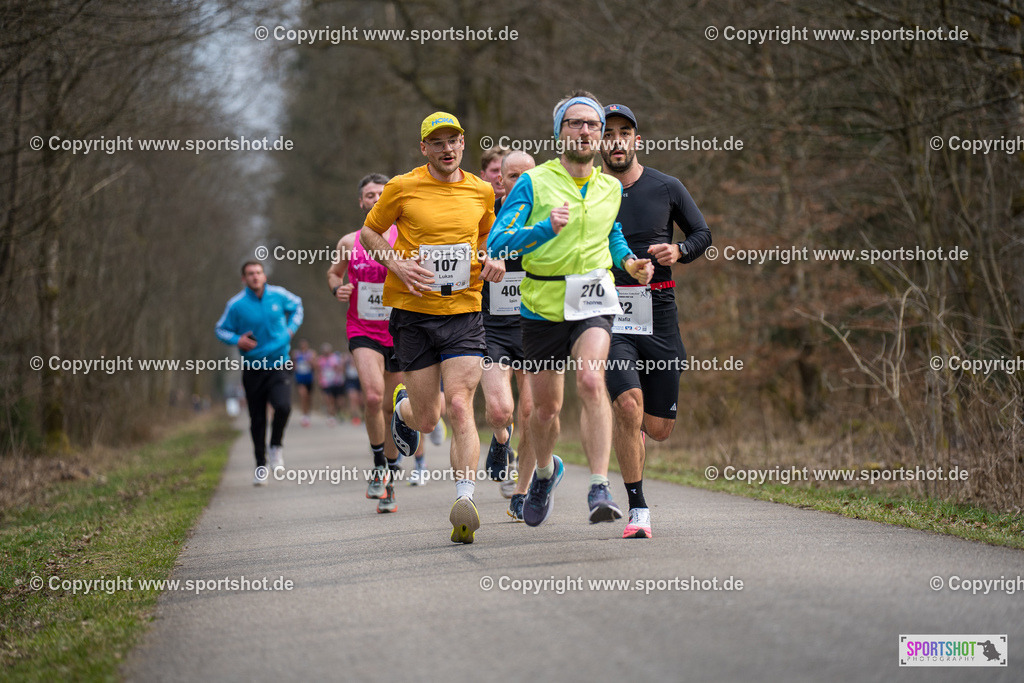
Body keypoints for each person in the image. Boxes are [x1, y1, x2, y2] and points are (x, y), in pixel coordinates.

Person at [488, 90, 653, 527]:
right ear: (559, 132)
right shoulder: (533, 182)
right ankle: (544, 473)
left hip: (594, 297)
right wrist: (543, 229)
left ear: (601, 137)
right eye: (575, 124)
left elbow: (611, 236)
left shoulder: (609, 188)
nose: (585, 131)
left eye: (593, 125)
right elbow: (498, 243)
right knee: (544, 410)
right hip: (542, 306)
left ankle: (599, 484)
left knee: (591, 378)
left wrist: (628, 261)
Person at [361, 111, 502, 543]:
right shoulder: (402, 187)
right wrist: (396, 264)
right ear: (424, 148)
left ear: (463, 144)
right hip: (413, 314)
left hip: (463, 311)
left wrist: (491, 259)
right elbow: (370, 234)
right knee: (427, 418)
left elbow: (486, 237)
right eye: (437, 142)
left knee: (459, 404)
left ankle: (465, 499)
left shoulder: (481, 191)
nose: (446, 149)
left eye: (453, 141)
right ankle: (404, 409)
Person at [600, 103, 712, 538]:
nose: (616, 140)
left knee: (659, 428)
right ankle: (637, 509)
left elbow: (703, 234)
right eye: (608, 133)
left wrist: (679, 251)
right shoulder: (588, 192)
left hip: (659, 312)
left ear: (636, 140)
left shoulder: (666, 187)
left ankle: (637, 432)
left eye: (624, 132)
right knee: (628, 404)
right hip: (607, 312)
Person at [327, 173, 413, 513]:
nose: (376, 198)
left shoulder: (407, 237)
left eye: (382, 193)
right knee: (374, 395)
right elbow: (334, 273)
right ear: (361, 202)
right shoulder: (349, 242)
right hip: (362, 328)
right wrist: (338, 288)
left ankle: (390, 476)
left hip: (402, 328)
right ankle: (379, 462)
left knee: (393, 407)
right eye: (369, 195)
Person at [479, 151, 538, 521]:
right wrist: (487, 257)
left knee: (532, 411)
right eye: (509, 175)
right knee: (501, 410)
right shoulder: (486, 213)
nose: (515, 182)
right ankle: (501, 440)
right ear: (498, 179)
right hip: (492, 326)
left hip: (536, 325)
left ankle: (522, 491)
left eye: (523, 175)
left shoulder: (550, 214)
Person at [215, 261, 303, 485]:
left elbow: (298, 307)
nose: (255, 277)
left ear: (264, 276)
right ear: (244, 279)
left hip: (279, 363)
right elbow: (221, 329)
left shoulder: (279, 295)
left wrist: (291, 329)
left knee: (283, 407)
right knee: (257, 418)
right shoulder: (236, 305)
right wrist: (237, 340)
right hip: (253, 367)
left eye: (258, 273)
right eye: (250, 274)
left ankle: (275, 446)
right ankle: (260, 465)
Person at [316, 344, 344, 422]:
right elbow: (318, 370)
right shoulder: (320, 359)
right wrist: (319, 380)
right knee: (329, 399)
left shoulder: (335, 358)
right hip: (326, 383)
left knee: (338, 401)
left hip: (336, 382)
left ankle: (337, 412)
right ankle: (331, 415)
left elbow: (341, 368)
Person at [291, 339, 316, 426]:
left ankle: (307, 413)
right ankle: (303, 415)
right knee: (303, 395)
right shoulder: (296, 354)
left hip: (309, 378)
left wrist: (310, 362)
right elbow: (292, 366)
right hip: (299, 378)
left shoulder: (311, 353)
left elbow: (315, 366)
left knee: (308, 397)